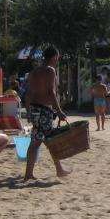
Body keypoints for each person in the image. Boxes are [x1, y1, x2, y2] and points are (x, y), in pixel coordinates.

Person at [23, 45, 71, 181]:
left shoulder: (34, 71)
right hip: (44, 110)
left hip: (34, 108)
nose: (57, 60)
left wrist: (28, 110)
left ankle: (30, 173)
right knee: (50, 140)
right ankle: (58, 170)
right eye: (58, 58)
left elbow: (29, 93)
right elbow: (51, 92)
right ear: (54, 57)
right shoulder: (50, 70)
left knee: (36, 142)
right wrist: (59, 111)